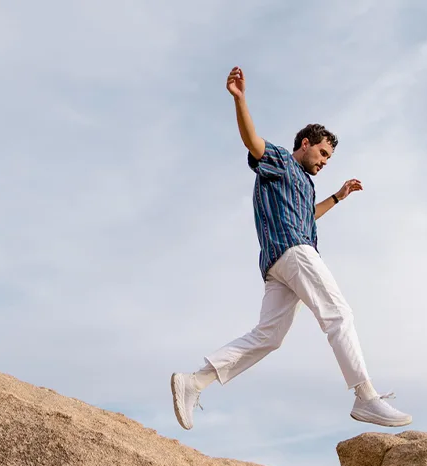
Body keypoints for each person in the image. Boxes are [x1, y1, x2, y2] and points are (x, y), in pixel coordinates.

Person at [170, 66, 411, 430]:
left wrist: (339, 196)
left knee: (269, 337)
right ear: (305, 144)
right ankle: (366, 396)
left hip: (277, 265)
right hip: (294, 252)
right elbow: (253, 142)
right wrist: (240, 99)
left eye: (328, 158)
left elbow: (308, 217)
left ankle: (195, 381)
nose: (325, 161)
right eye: (323, 153)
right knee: (338, 313)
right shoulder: (282, 161)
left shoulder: (307, 186)